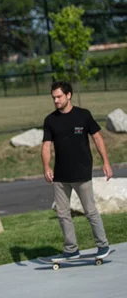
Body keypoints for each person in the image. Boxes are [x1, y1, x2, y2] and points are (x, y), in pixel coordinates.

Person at [41, 81, 113, 262]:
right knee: (62, 213)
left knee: (90, 211)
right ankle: (71, 249)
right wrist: (46, 167)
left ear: (69, 95)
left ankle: (103, 245)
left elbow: (97, 138)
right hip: (60, 175)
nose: (56, 100)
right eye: (54, 97)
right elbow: (46, 145)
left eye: (59, 97)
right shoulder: (50, 120)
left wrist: (106, 162)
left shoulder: (83, 115)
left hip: (81, 172)